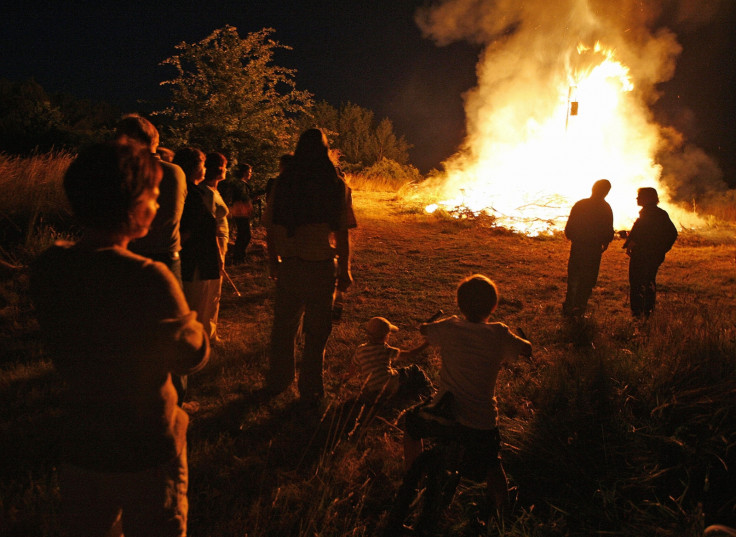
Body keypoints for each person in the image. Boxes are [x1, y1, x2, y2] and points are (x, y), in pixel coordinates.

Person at [29, 141, 210, 537]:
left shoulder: (48, 268)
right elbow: (189, 357)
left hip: (83, 439)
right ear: (133, 204)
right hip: (145, 445)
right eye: (154, 196)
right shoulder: (148, 276)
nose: (159, 206)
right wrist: (196, 328)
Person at [402, 274, 532, 518]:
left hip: (443, 414)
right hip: (480, 422)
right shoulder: (500, 334)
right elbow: (526, 349)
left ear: (459, 304)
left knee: (410, 426)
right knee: (494, 464)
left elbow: (424, 330)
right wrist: (526, 342)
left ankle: (412, 479)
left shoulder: (448, 326)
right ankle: (504, 512)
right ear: (493, 306)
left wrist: (425, 326)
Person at [264, 128, 357, 403]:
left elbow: (270, 227)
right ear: (325, 151)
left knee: (284, 326)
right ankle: (311, 387)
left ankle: (279, 380)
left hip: (290, 264)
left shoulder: (283, 183)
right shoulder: (335, 184)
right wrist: (345, 269)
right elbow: (342, 232)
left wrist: (273, 261)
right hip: (320, 266)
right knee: (317, 332)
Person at [116, 114, 187, 287]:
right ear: (155, 141)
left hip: (131, 255)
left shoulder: (126, 171)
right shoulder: (175, 172)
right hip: (168, 257)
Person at [189, 152, 229, 342]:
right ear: (219, 169)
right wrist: (217, 253)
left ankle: (210, 331)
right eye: (225, 166)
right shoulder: (205, 192)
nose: (227, 170)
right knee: (210, 290)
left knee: (214, 290)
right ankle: (205, 334)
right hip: (213, 241)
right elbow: (207, 224)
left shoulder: (214, 190)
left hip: (219, 240)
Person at [623, 187, 678, 317]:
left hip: (643, 255)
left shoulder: (648, 214)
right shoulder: (658, 213)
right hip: (651, 255)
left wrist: (655, 248)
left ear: (647, 198)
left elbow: (643, 234)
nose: (637, 199)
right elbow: (670, 233)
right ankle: (648, 310)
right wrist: (661, 250)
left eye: (639, 196)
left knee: (638, 283)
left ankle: (638, 312)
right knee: (648, 281)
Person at [562, 179, 614, 317]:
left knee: (574, 276)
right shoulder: (605, 208)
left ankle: (569, 305)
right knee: (588, 278)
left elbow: (569, 227)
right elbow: (608, 230)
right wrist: (605, 241)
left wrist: (574, 238)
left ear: (593, 188)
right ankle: (580, 306)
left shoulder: (581, 204)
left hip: (578, 246)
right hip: (593, 249)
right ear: (606, 192)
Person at [353, 316, 433, 402]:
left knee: (395, 371)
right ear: (386, 336)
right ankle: (432, 392)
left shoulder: (360, 350)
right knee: (415, 370)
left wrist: (347, 375)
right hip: (390, 385)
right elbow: (410, 353)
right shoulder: (387, 350)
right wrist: (426, 343)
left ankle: (410, 392)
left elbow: (353, 365)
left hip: (371, 389)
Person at [223, 163, 255, 264]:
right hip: (241, 211)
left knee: (243, 234)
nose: (251, 174)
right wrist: (248, 201)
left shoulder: (238, 183)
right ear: (245, 172)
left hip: (240, 211)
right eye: (249, 172)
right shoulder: (240, 184)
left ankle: (239, 256)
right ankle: (238, 257)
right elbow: (242, 197)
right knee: (245, 234)